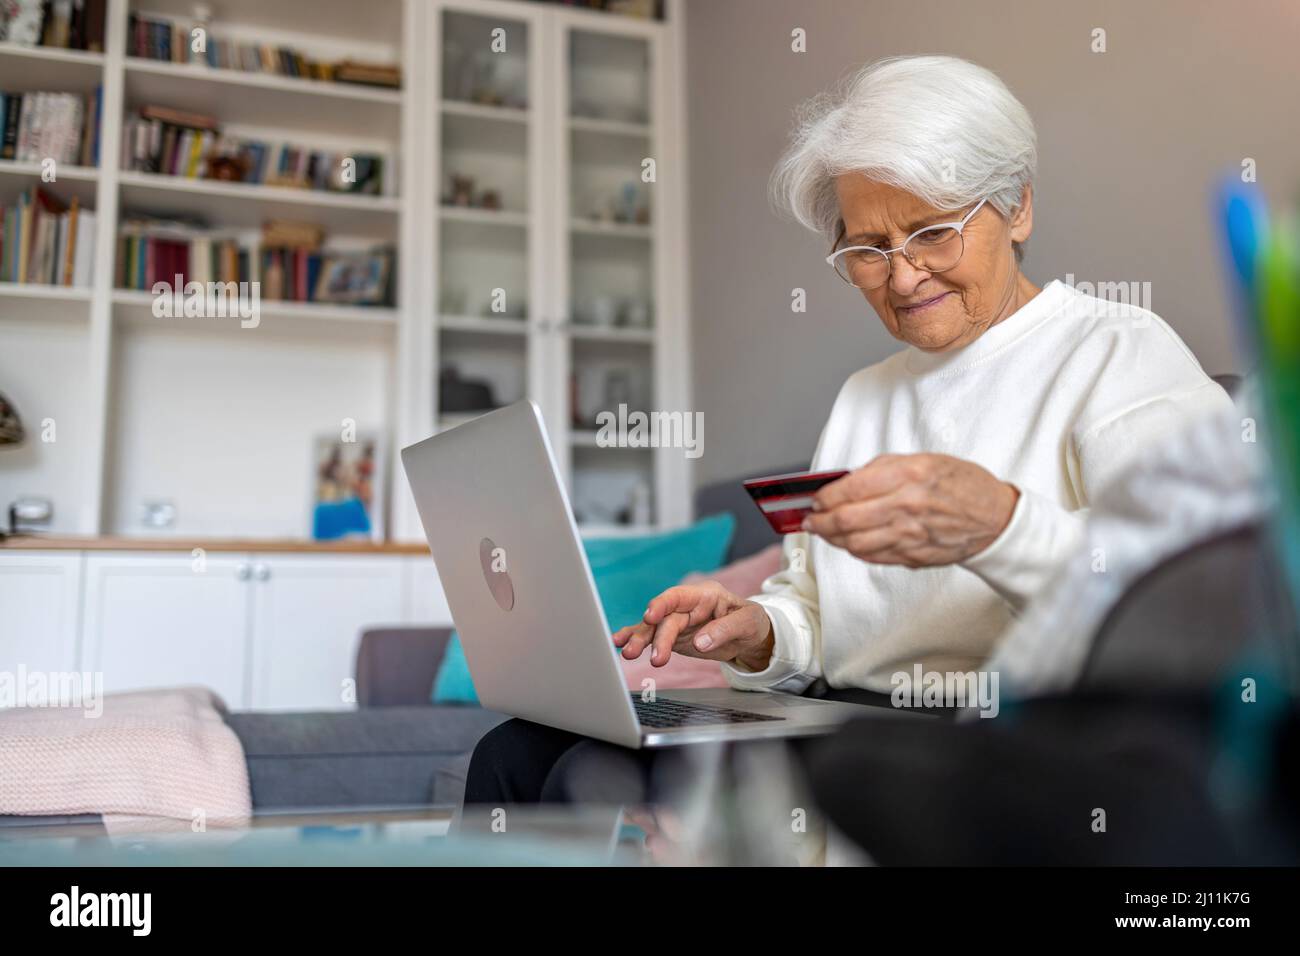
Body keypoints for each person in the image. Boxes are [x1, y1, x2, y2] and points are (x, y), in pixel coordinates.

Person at [465, 54, 1233, 805]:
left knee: (585, 783)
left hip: (1002, 732)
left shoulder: (1116, 351)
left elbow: (1200, 602)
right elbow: (814, 611)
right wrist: (757, 632)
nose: (901, 278)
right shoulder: (864, 397)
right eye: (868, 249)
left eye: (933, 233)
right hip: (842, 714)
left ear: (1019, 206)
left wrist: (1002, 526)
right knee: (513, 754)